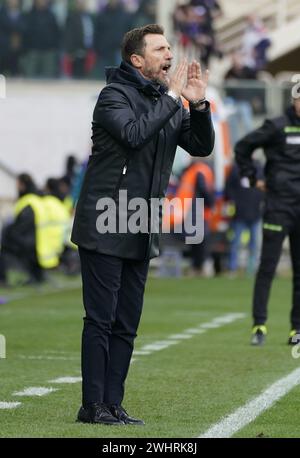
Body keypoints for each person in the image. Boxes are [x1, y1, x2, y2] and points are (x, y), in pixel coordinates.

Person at [71, 24, 215, 425]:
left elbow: (201, 147)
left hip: (142, 222)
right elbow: (134, 135)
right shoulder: (113, 96)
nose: (170, 55)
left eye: (170, 48)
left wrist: (199, 107)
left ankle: (113, 403)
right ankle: (92, 405)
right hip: (105, 221)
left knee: (127, 322)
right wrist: (173, 98)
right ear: (137, 60)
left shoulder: (164, 102)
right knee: (101, 318)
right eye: (161, 49)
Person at [235, 91, 300, 346]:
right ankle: (259, 325)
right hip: (278, 206)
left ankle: (297, 330)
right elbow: (243, 147)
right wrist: (252, 178)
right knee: (267, 268)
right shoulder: (277, 126)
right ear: (293, 100)